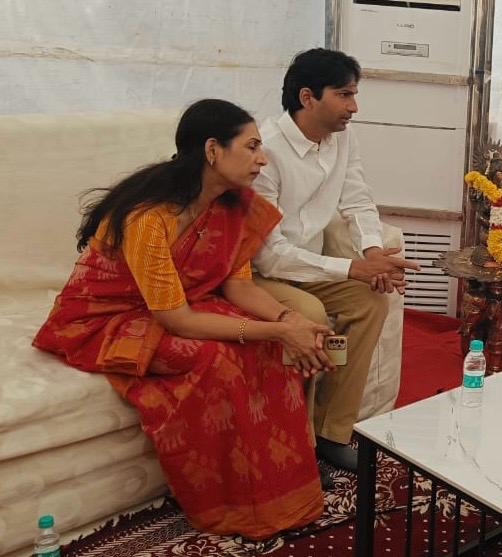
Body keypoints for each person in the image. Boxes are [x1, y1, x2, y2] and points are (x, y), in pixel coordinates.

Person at [33, 99, 330, 538]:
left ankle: (283, 497)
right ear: (212, 150)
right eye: (251, 147)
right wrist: (279, 330)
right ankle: (226, 507)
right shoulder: (149, 216)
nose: (262, 159)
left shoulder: (232, 206)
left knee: (270, 351)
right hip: (107, 317)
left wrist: (290, 321)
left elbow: (239, 286)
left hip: (181, 304)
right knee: (217, 361)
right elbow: (177, 320)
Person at [252, 48, 420, 471]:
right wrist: (352, 268)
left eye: (354, 94)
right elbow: (268, 255)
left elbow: (357, 199)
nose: (354, 107)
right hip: (259, 275)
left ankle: (331, 432)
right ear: (307, 97)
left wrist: (373, 252)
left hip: (311, 266)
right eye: (344, 95)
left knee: (370, 302)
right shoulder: (265, 151)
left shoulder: (342, 137)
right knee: (310, 313)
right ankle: (298, 444)